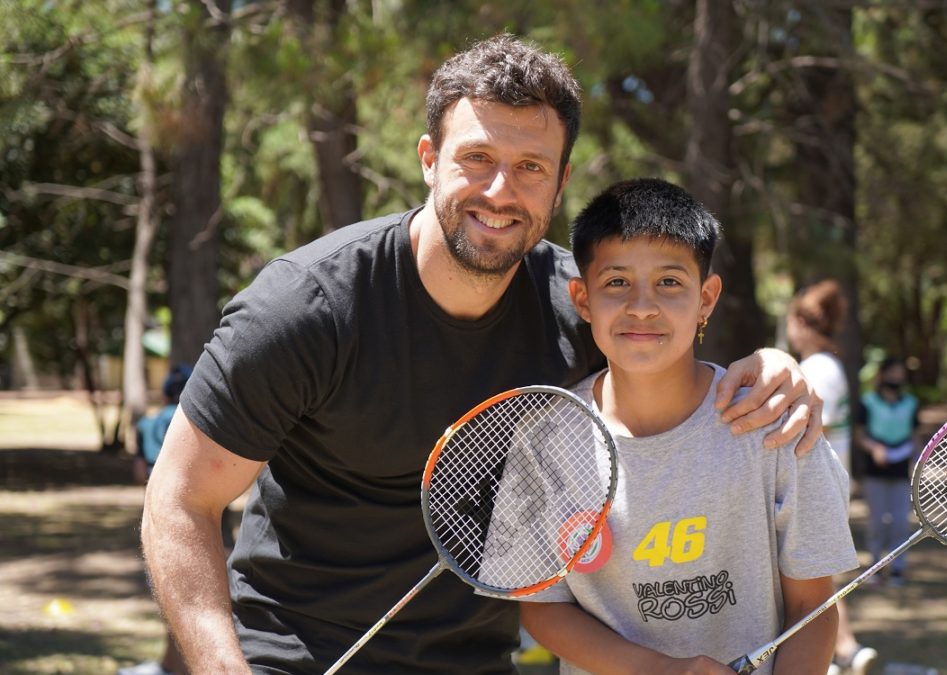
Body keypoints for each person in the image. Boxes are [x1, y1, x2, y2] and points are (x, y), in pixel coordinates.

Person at [141, 35, 826, 675]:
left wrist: (773, 365)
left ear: (559, 188)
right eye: (477, 158)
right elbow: (179, 499)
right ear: (428, 159)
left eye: (530, 168)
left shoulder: (578, 307)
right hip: (292, 655)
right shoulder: (305, 310)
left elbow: (676, 352)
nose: (501, 192)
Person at [514, 178, 858, 674]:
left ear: (707, 298)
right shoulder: (544, 440)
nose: (643, 306)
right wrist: (660, 669)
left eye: (670, 282)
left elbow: (813, 607)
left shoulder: (774, 423)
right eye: (616, 282)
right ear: (582, 299)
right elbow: (544, 609)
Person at [786, 281, 877, 675]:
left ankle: (841, 652)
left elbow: (806, 427)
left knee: (812, 578)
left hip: (814, 485)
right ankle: (844, 652)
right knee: (818, 577)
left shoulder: (816, 368)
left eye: (790, 320)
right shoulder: (829, 364)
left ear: (802, 323)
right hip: (825, 482)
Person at [121, 365, 193, 675]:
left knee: (173, 604)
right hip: (194, 517)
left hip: (159, 519)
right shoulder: (195, 422)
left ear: (163, 393)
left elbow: (141, 473)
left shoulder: (148, 424)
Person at [854, 356, 919, 588]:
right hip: (875, 474)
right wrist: (874, 448)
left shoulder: (910, 403)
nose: (896, 378)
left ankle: (897, 569)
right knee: (876, 522)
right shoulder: (868, 402)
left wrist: (915, 464)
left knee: (901, 522)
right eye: (892, 373)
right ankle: (875, 566)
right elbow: (859, 434)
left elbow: (914, 435)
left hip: (901, 474)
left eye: (900, 374)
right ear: (882, 375)